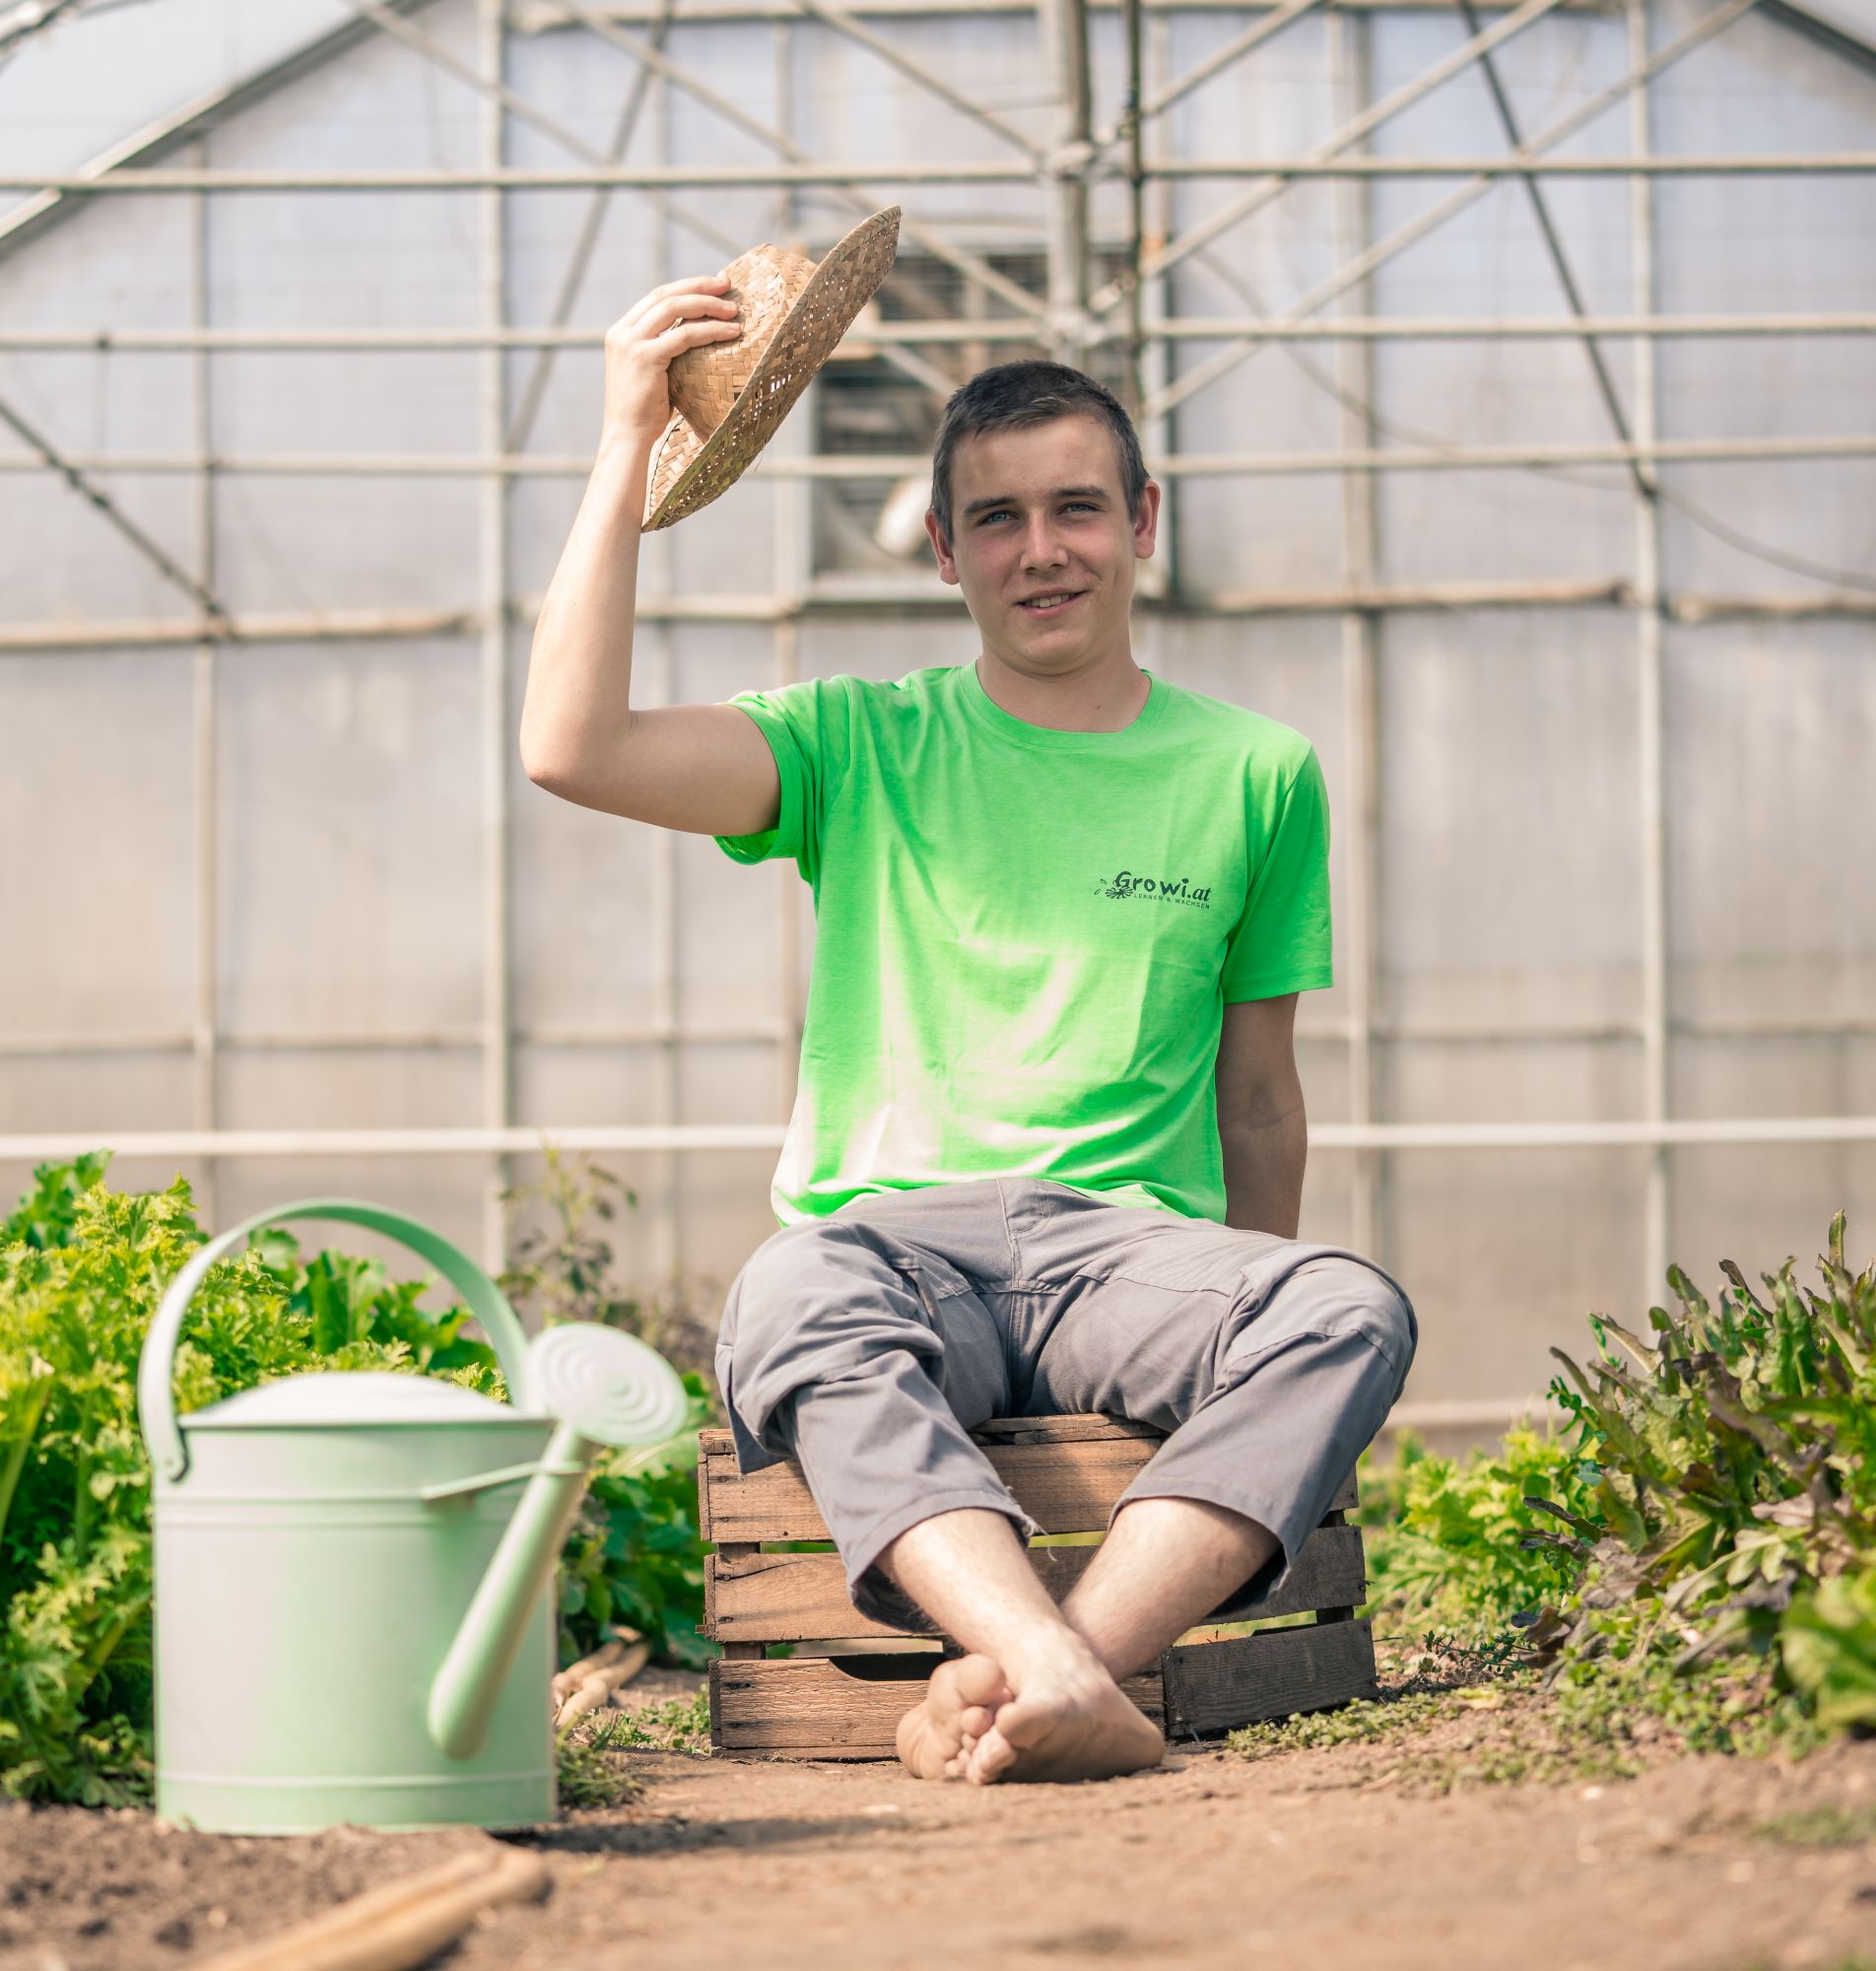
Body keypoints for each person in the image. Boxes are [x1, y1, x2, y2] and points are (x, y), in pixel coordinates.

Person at [520, 272, 1416, 1786]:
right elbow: (572, 747)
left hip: (1125, 1252)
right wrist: (627, 448)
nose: (1040, 549)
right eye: (995, 519)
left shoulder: (1256, 774)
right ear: (945, 552)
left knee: (1343, 1308)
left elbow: (1259, 1099)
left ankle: (1032, 1673)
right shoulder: (858, 742)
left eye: (1076, 508)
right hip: (892, 1245)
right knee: (786, 1301)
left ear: (1142, 521)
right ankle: (1066, 1672)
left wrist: (1241, 1305)